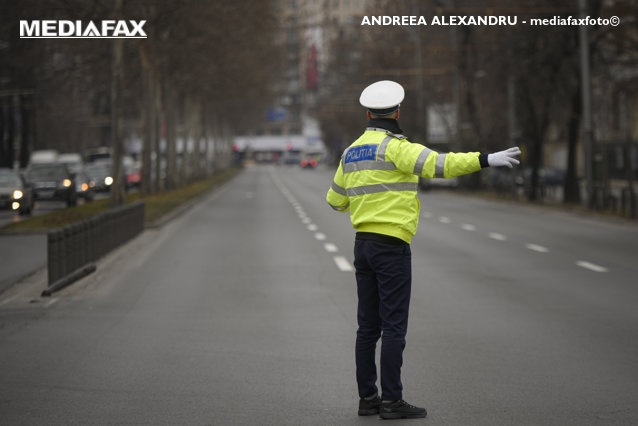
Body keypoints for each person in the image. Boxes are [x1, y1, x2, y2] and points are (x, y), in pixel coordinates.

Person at [326, 80, 521, 420]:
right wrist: (487, 159)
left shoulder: (351, 151)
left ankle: (368, 399)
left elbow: (335, 201)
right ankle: (392, 401)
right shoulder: (396, 148)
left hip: (363, 246)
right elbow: (441, 165)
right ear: (397, 112)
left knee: (367, 328)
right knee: (393, 327)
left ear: (368, 113)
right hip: (392, 247)